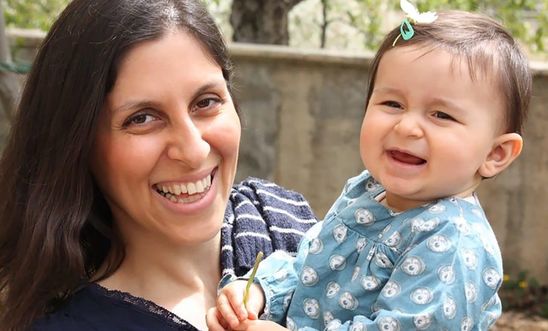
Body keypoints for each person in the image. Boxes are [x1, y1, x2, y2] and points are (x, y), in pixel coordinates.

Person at [207, 6, 532, 331]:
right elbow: (309, 266)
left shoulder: (452, 244)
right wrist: (261, 292)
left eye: (441, 115)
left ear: (496, 153)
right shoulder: (366, 191)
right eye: (393, 104)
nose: (407, 127)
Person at [0, 0, 318, 330]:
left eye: (206, 102)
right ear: (78, 143)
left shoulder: (284, 220)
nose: (194, 150)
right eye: (143, 118)